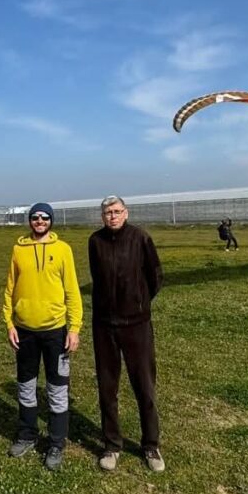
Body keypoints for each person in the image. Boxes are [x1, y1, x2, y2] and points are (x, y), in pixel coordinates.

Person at [3, 202, 83, 471]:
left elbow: (72, 290)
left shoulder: (63, 250)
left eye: (44, 217)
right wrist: (9, 323)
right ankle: (27, 435)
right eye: (35, 217)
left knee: (57, 390)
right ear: (29, 221)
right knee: (26, 387)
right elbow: (9, 289)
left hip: (55, 332)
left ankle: (56, 442)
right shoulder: (18, 249)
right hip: (24, 331)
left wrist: (74, 328)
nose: (39, 221)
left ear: (51, 221)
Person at [88, 195, 165, 473]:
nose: (112, 216)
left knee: (144, 385)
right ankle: (112, 445)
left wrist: (139, 303)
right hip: (105, 325)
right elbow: (97, 277)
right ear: (102, 216)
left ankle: (150, 444)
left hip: (137, 325)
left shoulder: (141, 238)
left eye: (117, 211)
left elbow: (155, 276)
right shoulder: (95, 242)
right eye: (108, 212)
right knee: (107, 387)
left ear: (126, 213)